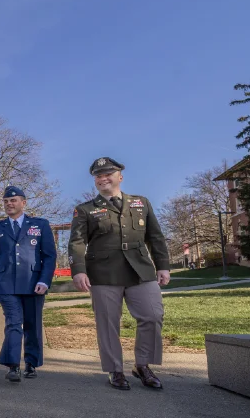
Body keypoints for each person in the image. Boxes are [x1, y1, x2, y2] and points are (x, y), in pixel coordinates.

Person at [69, 157, 171, 390]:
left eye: (108, 174)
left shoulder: (140, 203)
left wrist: (163, 265)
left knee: (152, 315)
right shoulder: (85, 210)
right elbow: (76, 242)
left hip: (140, 270)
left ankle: (143, 365)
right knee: (107, 323)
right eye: (98, 175)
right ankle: (115, 370)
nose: (103, 178)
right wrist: (78, 271)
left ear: (120, 177)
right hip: (103, 273)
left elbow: (155, 236)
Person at [0, 186, 56, 382]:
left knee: (32, 325)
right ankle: (13, 366)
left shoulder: (40, 225)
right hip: (6, 284)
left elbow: (49, 256)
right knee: (14, 323)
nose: (9, 204)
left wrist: (44, 280)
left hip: (34, 284)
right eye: (6, 201)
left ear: (23, 203)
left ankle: (31, 364)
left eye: (13, 200)